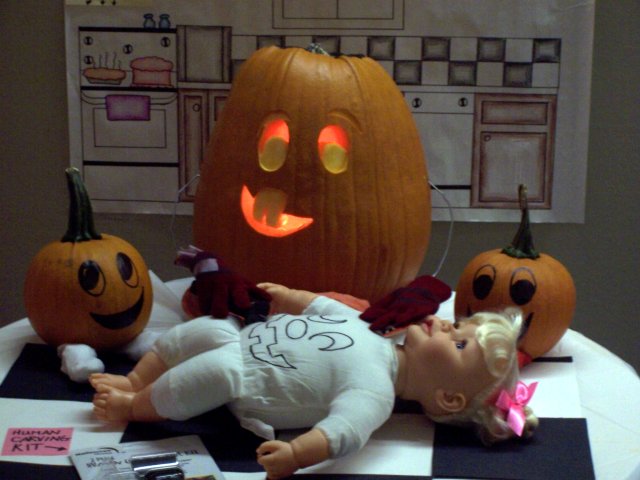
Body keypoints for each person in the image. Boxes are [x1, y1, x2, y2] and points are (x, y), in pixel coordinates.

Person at [91, 282, 537, 479]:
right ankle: (132, 379)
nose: (444, 326)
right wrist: (290, 297)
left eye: (459, 345)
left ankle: (135, 407)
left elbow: (341, 433)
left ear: (448, 398)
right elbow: (323, 308)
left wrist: (296, 454)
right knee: (201, 330)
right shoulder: (372, 330)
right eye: (457, 326)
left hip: (244, 379)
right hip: (243, 338)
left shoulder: (375, 392)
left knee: (214, 373)